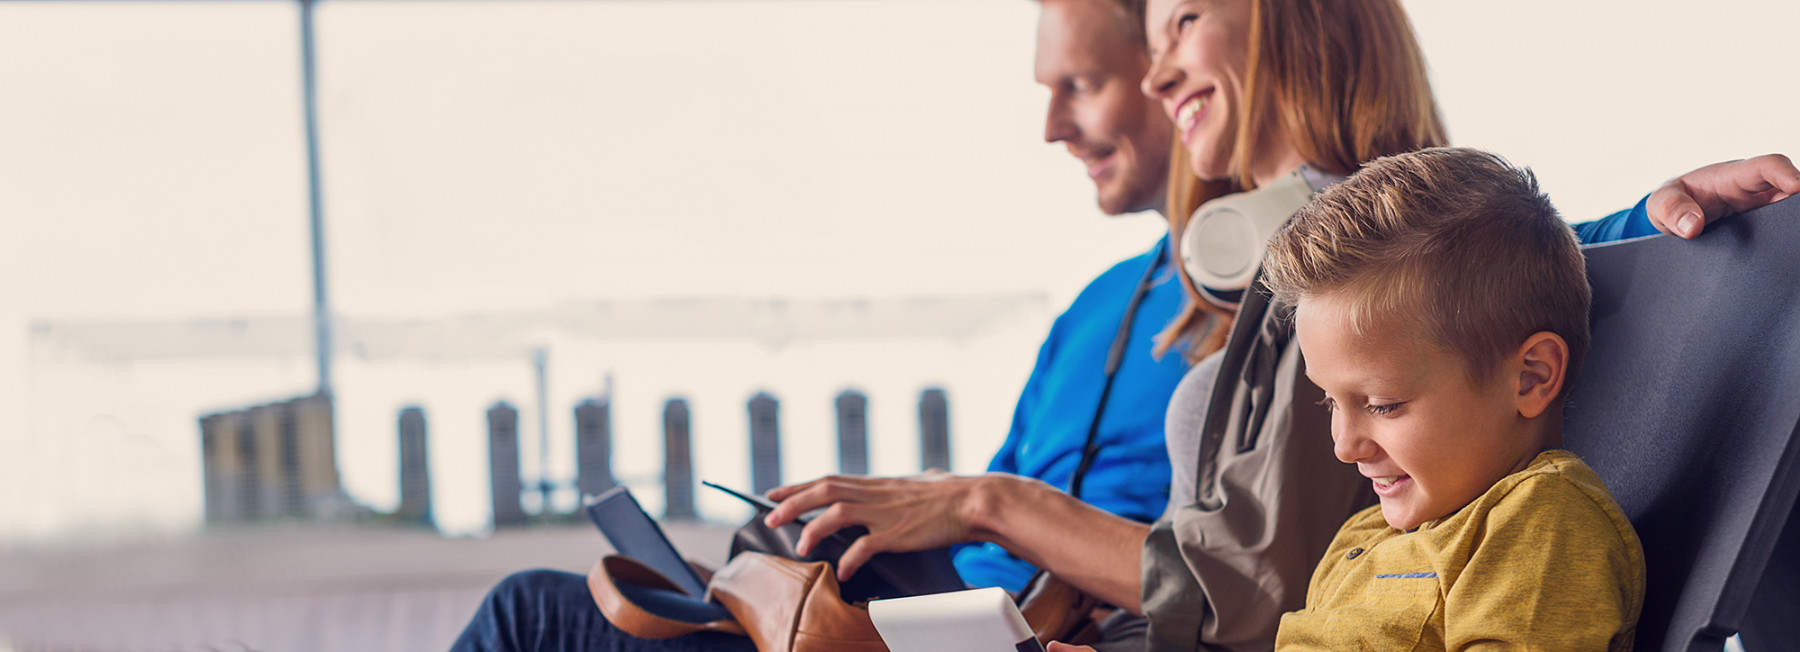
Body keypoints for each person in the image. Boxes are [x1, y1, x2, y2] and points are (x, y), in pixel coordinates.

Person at [451, 0, 1796, 648]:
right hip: (1058, 626)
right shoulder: (1157, 311)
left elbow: (1484, 288)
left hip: (1138, 622)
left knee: (527, 618)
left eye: (1179, 24)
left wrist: (1644, 211)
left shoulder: (1401, 330)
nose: (1154, 74)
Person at [1262, 147, 1643, 649]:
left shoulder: (1540, 523)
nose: (1344, 446)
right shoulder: (1363, 534)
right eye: (1330, 402)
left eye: (1381, 404)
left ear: (1531, 378)